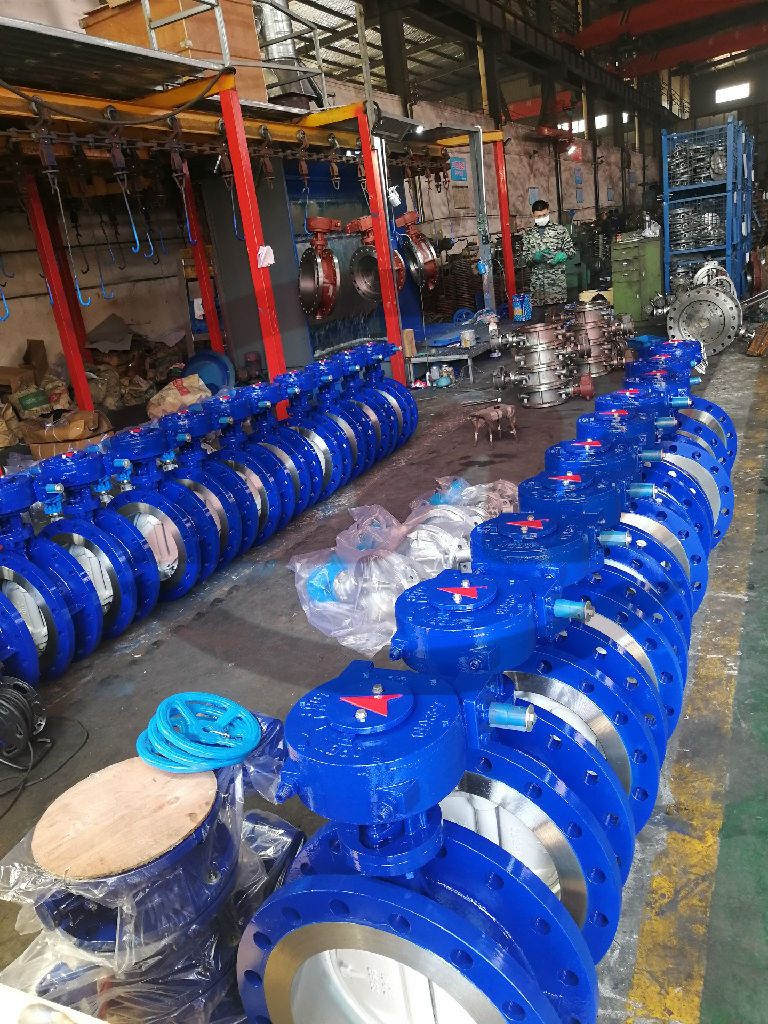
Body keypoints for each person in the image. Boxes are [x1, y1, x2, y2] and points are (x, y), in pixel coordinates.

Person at [521, 199, 575, 322]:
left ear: (548, 212)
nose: (542, 218)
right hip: (538, 289)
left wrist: (562, 255)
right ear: (533, 215)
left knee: (560, 323)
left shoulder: (560, 230)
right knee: (537, 325)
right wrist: (534, 258)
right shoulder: (529, 235)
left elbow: (571, 252)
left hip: (557, 287)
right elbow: (525, 260)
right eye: (539, 216)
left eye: (544, 215)